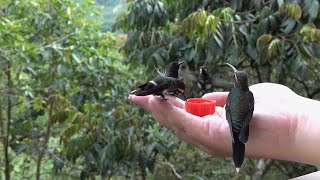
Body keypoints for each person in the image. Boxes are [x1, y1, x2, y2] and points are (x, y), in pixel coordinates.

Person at [128, 83, 320, 166]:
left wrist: (296, 123)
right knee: (238, 137)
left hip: (235, 119)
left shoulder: (237, 95)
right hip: (241, 121)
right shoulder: (248, 95)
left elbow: (230, 109)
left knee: (237, 137)